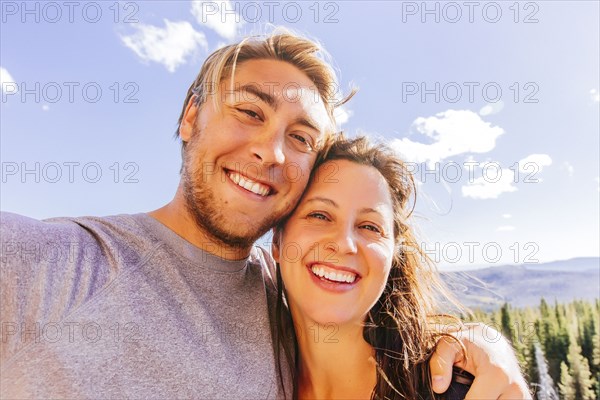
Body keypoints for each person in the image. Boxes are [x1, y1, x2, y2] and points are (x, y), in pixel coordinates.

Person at [1, 30, 528, 398]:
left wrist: (483, 344)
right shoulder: (54, 265)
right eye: (249, 111)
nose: (271, 152)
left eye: (300, 138)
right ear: (190, 117)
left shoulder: (288, 291)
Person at [271, 135, 532, 399]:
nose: (344, 243)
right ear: (277, 242)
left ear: (393, 255)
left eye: (369, 227)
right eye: (319, 215)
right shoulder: (250, 372)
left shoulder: (453, 387)